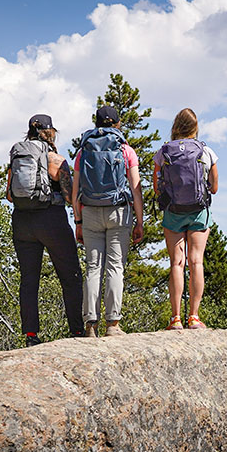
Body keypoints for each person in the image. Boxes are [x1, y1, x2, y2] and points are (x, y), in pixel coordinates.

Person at [8, 113, 85, 345]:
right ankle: (77, 331)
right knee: (70, 275)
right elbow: (70, 196)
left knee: (29, 279)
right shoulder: (55, 159)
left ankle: (31, 335)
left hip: (22, 221)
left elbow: (9, 195)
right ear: (50, 132)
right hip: (51, 219)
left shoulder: (17, 155)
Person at [73, 105, 145, 336]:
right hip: (119, 212)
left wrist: (78, 221)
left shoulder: (84, 150)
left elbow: (75, 190)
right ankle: (113, 324)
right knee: (115, 266)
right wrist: (139, 221)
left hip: (91, 211)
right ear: (117, 123)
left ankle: (90, 325)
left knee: (93, 268)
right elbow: (136, 188)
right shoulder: (125, 150)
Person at [152, 108, 218, 330]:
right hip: (199, 211)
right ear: (195, 127)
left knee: (176, 263)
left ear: (175, 126)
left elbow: (156, 187)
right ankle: (194, 317)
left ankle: (176, 318)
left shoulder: (163, 152)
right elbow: (215, 187)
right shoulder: (206, 151)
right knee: (196, 261)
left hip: (173, 213)